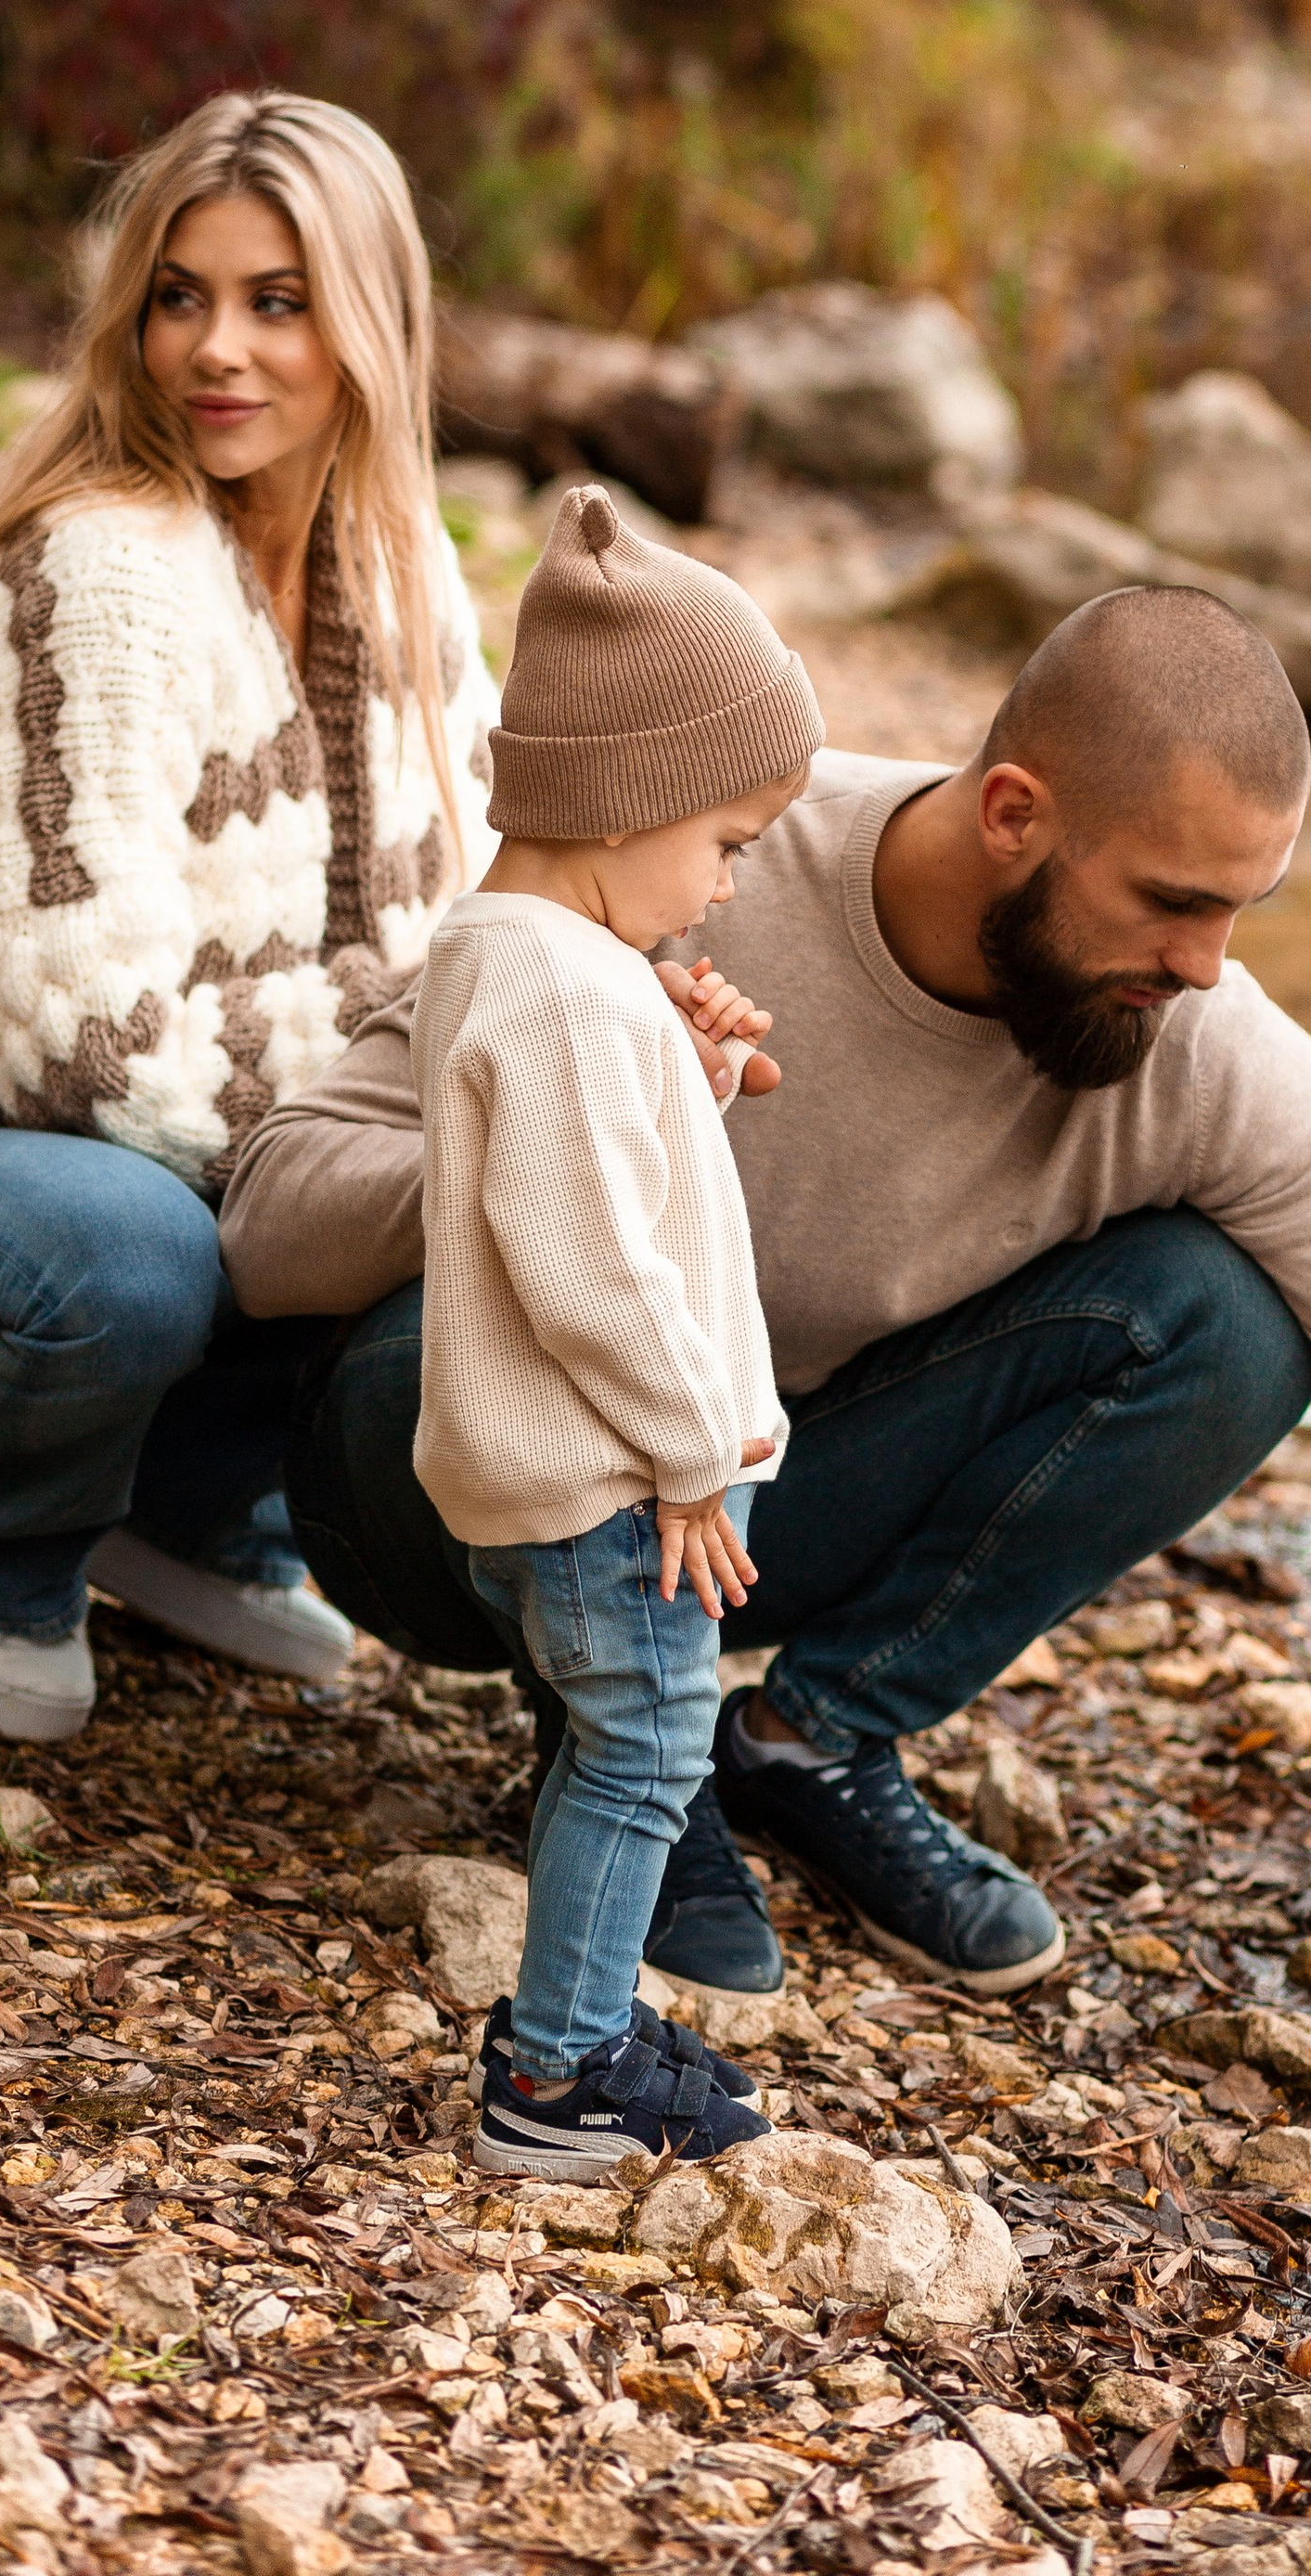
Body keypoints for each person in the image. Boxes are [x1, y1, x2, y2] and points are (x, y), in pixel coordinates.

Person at [223, 586, 1311, 2095]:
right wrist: (568, 1124)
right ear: (1017, 813)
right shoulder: (697, 854)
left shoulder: (1199, 1046)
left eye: (1243, 910)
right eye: (1176, 901)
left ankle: (809, 1740)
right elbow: (273, 1211)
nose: (1204, 967)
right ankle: (606, 1753)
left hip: (753, 1516)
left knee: (1238, 1321)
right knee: (429, 1323)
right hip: (447, 1503)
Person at [0, 91, 495, 1744]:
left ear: (371, 321)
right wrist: (397, 1109)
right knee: (147, 1241)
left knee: (460, 1154)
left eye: (280, 301)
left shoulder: (404, 565)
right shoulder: (100, 571)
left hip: (140, 1129)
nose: (220, 350)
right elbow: (93, 1049)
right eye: (179, 295)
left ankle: (190, 1509)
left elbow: (471, 931)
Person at [421, 486, 818, 2171]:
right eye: (725, 843)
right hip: (611, 1480)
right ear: (631, 796)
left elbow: (606, 1170)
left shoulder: (520, 955)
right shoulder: (569, 990)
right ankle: (558, 2074)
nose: (727, 885)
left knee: (626, 1742)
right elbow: (591, 1263)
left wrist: (697, 1065)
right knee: (646, 1746)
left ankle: (576, 2017)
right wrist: (687, 1454)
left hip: (574, 1470)